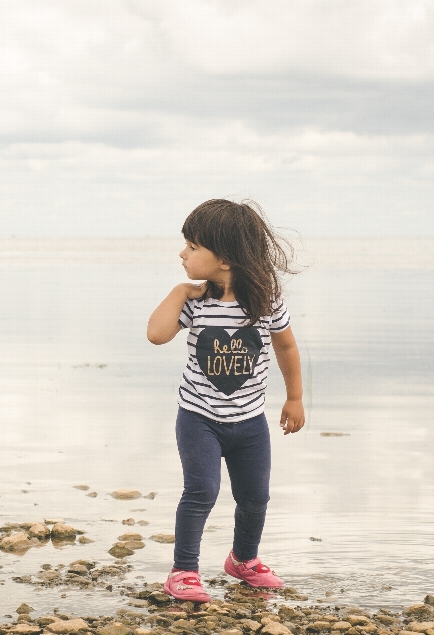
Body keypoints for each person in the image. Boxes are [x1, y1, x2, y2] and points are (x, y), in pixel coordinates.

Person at [146, 198, 306, 603]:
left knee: (255, 496)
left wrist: (295, 398)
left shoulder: (265, 301)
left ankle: (243, 561)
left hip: (250, 421)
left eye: (193, 246)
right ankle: (183, 571)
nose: (182, 253)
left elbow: (286, 348)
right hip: (198, 417)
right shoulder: (196, 301)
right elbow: (156, 334)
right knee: (201, 490)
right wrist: (180, 290)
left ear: (226, 259)